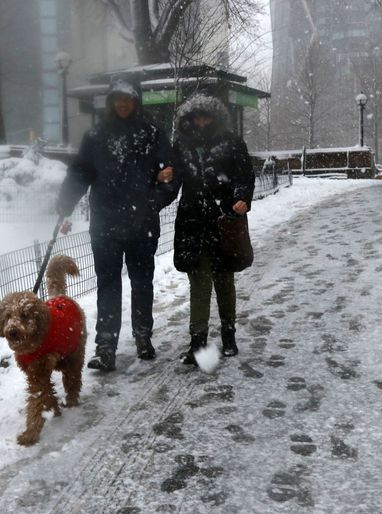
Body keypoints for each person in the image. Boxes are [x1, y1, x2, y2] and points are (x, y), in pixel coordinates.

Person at [56, 79, 175, 372]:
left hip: (142, 224)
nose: (123, 104)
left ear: (137, 101)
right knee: (107, 286)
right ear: (111, 102)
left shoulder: (152, 134)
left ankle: (143, 336)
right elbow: (79, 174)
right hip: (106, 225)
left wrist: (152, 201)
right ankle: (106, 346)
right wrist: (64, 204)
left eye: (129, 99)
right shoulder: (96, 136)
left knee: (141, 282)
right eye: (118, 99)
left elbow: (172, 175)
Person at [168, 94, 254, 365]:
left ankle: (229, 336)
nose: (201, 121)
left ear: (215, 117)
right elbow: (172, 181)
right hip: (193, 223)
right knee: (199, 284)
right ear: (189, 118)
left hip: (223, 220)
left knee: (225, 282)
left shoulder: (232, 142)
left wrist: (241, 197)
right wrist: (155, 193)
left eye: (206, 116)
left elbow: (244, 175)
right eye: (197, 116)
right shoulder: (181, 145)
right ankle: (198, 343)